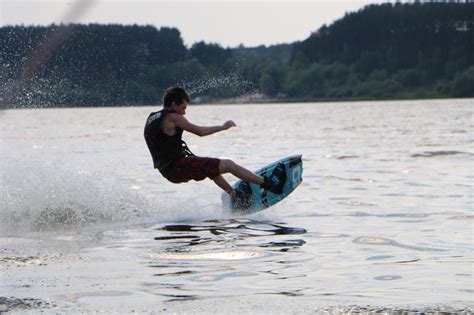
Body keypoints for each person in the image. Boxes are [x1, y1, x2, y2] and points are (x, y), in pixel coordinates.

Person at [144, 86, 284, 207]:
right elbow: (200, 131)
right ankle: (270, 184)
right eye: (183, 108)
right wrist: (223, 127)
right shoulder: (173, 117)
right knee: (228, 164)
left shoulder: (152, 117)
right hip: (177, 166)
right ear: (174, 104)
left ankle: (235, 196)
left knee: (211, 168)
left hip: (168, 170)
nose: (184, 112)